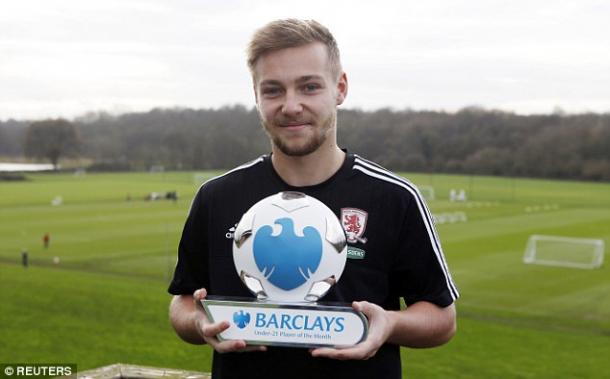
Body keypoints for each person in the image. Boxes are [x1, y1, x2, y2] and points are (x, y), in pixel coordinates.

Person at [168, 19, 459, 378]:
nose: (291, 106)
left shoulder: (394, 197)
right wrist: (199, 323)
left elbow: (442, 319)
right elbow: (182, 303)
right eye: (273, 90)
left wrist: (390, 323)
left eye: (309, 87)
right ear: (256, 94)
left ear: (340, 88)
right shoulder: (218, 196)